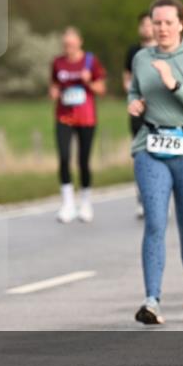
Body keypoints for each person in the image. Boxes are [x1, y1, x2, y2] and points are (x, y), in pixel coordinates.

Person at [127, 0, 183, 325]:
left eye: (168, 22)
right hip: (151, 147)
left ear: (181, 24)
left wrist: (173, 84)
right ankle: (152, 300)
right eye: (156, 22)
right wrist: (134, 103)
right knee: (154, 223)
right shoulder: (141, 58)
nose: (161, 28)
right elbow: (135, 91)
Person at [50, 26, 107, 222]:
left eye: (72, 44)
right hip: (64, 116)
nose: (69, 48)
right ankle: (67, 203)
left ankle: (85, 202)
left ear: (80, 42)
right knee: (64, 157)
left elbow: (101, 89)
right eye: (66, 44)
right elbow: (54, 84)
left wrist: (89, 82)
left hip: (86, 117)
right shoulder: (57, 62)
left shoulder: (90, 61)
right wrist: (54, 92)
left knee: (83, 160)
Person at [124, 12, 155, 218]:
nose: (146, 28)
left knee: (159, 153)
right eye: (142, 24)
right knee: (140, 153)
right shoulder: (133, 52)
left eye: (149, 24)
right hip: (139, 110)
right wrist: (135, 96)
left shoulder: (163, 50)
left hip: (161, 111)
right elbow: (127, 79)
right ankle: (142, 197)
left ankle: (160, 196)